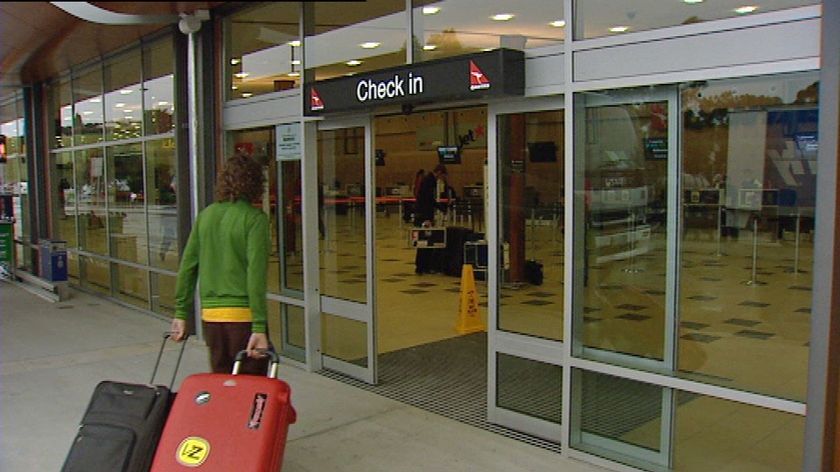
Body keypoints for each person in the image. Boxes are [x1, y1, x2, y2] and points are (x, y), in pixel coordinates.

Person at [169, 155, 270, 375]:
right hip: (243, 319)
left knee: (222, 384)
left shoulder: (206, 216)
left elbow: (188, 266)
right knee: (251, 389)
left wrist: (181, 312)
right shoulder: (255, 219)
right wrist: (260, 326)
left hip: (212, 319)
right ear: (255, 184)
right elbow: (256, 275)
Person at [413, 164, 448, 274]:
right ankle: (422, 266)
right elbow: (427, 200)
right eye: (441, 175)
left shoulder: (427, 179)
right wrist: (428, 217)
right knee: (425, 241)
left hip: (422, 214)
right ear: (439, 172)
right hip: (424, 215)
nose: (441, 178)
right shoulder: (430, 181)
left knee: (425, 241)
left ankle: (423, 266)